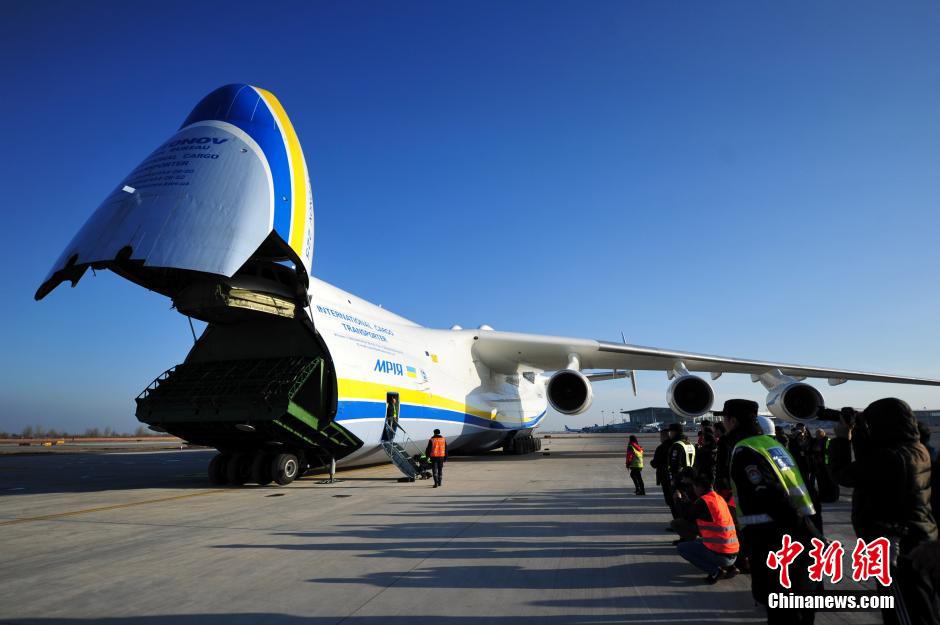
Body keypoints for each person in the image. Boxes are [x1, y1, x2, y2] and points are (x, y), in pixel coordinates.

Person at [829, 398, 938, 625]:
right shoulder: (917, 450)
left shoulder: (889, 458)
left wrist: (841, 440)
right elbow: (872, 465)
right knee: (922, 607)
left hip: (897, 547)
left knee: (904, 611)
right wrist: (860, 434)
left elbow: (843, 475)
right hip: (919, 535)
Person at [717, 399, 822, 625]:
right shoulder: (771, 444)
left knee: (782, 608)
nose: (723, 424)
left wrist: (805, 529)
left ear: (733, 421)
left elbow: (769, 496)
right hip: (799, 531)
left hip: (773, 537)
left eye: (724, 419)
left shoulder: (745, 451)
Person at [676, 472, 739, 584]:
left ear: (700, 487)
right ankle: (730, 567)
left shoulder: (704, 501)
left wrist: (679, 500)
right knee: (702, 541)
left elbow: (687, 516)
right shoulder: (718, 498)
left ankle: (715, 571)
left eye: (694, 487)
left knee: (682, 547)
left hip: (721, 554)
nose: (694, 490)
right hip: (733, 552)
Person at [667, 423, 696, 519]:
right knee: (688, 500)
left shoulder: (677, 445)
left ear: (674, 432)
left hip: (680, 478)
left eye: (670, 432)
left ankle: (680, 522)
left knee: (677, 500)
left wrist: (674, 479)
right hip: (690, 477)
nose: (669, 434)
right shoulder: (690, 444)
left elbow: (675, 464)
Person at [650, 430, 674, 516]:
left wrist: (651, 463)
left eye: (661, 437)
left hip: (665, 475)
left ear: (664, 436)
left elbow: (655, 463)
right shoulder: (676, 445)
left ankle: (676, 519)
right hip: (676, 476)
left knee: (670, 499)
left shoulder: (661, 447)